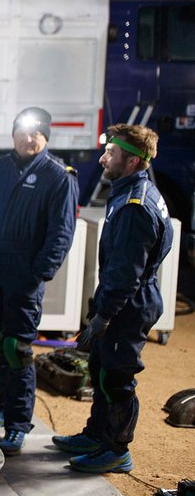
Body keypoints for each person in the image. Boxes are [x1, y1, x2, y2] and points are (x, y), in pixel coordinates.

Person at [53, 124, 173, 473]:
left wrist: (103, 316)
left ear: (133, 160)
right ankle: (97, 435)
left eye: (112, 153)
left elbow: (125, 273)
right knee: (99, 366)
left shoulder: (136, 205)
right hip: (122, 295)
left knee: (116, 377)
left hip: (131, 302)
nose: (104, 158)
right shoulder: (129, 189)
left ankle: (117, 449)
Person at [0, 106, 79, 456]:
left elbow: (61, 232)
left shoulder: (59, 176)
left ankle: (18, 424)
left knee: (18, 349)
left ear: (45, 137)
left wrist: (38, 274)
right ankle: (4, 407)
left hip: (23, 274)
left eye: (35, 133)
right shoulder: (0, 169)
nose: (28, 139)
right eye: (22, 131)